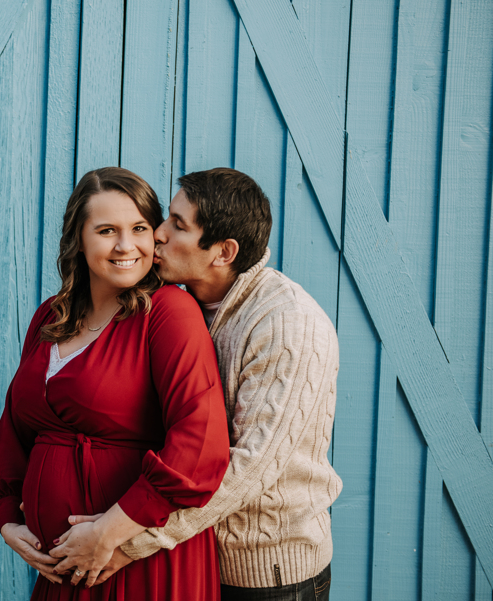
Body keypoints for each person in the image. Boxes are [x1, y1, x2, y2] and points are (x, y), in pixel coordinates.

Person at [51, 168, 342, 601]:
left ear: (223, 252)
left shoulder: (286, 325)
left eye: (178, 225)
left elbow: (249, 470)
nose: (159, 234)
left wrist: (123, 541)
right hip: (191, 561)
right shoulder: (180, 303)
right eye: (166, 218)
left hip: (266, 575)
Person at [0, 167, 230, 600]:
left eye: (139, 229)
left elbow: (200, 443)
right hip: (62, 568)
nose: (125, 245)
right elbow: (14, 431)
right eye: (107, 230)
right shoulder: (51, 317)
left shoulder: (168, 312)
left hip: (138, 563)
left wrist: (110, 531)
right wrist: (8, 518)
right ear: (78, 238)